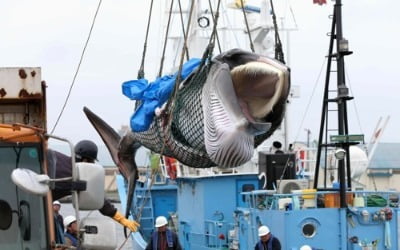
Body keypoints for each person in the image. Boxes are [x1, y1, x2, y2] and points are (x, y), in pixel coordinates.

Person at [47, 140, 140, 234]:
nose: (93, 166)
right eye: (92, 162)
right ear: (85, 161)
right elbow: (100, 200)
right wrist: (123, 220)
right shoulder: (77, 177)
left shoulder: (54, 155)